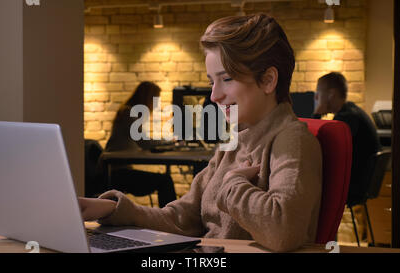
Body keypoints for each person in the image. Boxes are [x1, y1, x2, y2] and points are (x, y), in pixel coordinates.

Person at [79, 14, 322, 252]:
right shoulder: (234, 143)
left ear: (268, 80)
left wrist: (233, 184)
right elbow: (181, 217)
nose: (214, 96)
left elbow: (283, 232)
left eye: (226, 79)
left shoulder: (292, 140)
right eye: (211, 82)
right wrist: (111, 209)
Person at [95, 81, 177, 208]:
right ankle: (170, 219)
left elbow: (143, 141)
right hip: (117, 174)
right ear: (147, 98)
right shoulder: (129, 114)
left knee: (164, 180)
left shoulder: (128, 112)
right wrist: (170, 142)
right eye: (155, 100)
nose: (155, 105)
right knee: (165, 181)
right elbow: (144, 142)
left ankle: (169, 218)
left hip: (116, 171)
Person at [313, 72, 381, 205]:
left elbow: (317, 147)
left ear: (331, 94)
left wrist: (316, 113)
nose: (316, 98)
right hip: (361, 183)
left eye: (319, 94)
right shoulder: (352, 112)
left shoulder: (346, 119)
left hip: (355, 187)